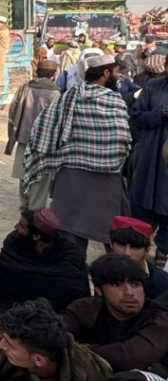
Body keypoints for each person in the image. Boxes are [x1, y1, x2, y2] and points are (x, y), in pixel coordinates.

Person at [24, 54, 132, 255]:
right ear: (106, 73)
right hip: (106, 176)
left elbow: (44, 127)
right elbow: (121, 139)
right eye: (117, 72)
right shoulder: (114, 100)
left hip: (71, 174)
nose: (118, 76)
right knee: (114, 233)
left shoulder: (69, 97)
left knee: (70, 236)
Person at [62, 254, 168, 376]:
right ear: (98, 290)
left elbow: (130, 358)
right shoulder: (87, 308)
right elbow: (53, 334)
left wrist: (75, 349)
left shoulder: (159, 318)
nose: (129, 292)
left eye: (135, 284)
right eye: (117, 284)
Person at [0, 208, 90, 315]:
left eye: (21, 226)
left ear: (36, 236)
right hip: (11, 308)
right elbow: (5, 273)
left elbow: (73, 288)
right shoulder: (14, 242)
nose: (15, 227)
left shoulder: (71, 254)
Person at [6, 59, 61, 211]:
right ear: (54, 75)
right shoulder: (55, 93)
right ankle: (35, 211)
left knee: (23, 175)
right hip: (44, 144)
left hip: (23, 139)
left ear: (37, 72)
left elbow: (13, 109)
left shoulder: (26, 88)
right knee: (40, 179)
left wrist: (12, 134)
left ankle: (25, 207)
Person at [128, 67, 168, 266]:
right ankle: (138, 249)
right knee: (141, 202)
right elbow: (136, 116)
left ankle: (163, 252)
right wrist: (160, 114)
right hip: (149, 157)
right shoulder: (152, 87)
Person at [109, 216, 168, 301]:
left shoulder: (162, 282)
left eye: (135, 247)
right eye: (121, 245)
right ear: (111, 243)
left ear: (147, 249)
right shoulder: (101, 271)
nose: (127, 253)